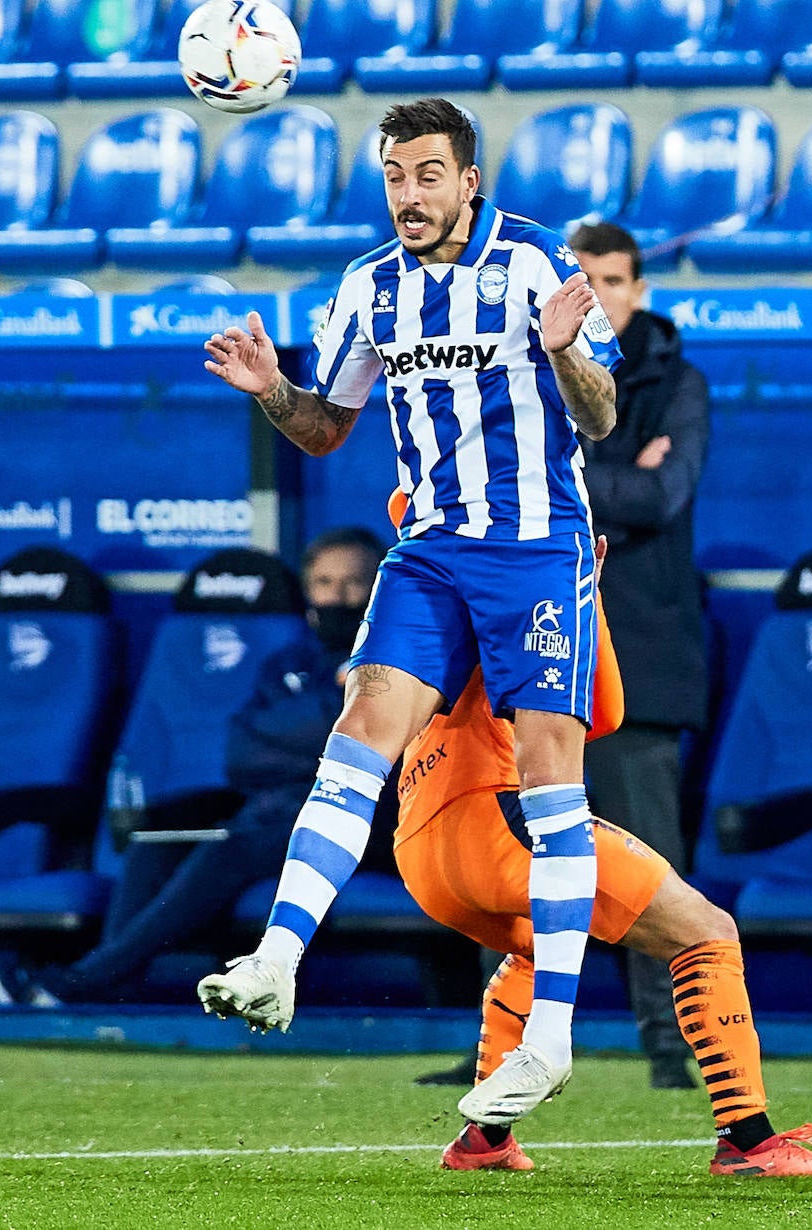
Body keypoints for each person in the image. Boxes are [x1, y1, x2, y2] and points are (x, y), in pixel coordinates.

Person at [198, 97, 621, 1124]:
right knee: (354, 738)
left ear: (469, 181)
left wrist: (566, 350)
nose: (409, 195)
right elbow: (325, 429)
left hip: (534, 550)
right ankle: (278, 958)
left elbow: (603, 417)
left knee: (550, 780)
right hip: (428, 551)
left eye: (428, 174)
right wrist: (271, 391)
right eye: (394, 175)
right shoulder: (367, 288)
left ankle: (551, 1036)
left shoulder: (535, 266)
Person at [388, 515, 812, 1176]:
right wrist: (585, 591)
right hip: (496, 819)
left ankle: (482, 1142)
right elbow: (602, 715)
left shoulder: (427, 581)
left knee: (535, 947)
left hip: (421, 847)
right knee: (705, 932)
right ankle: (748, 1141)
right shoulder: (523, 586)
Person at [0, 529, 384, 1009]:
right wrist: (326, 709)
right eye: (324, 582)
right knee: (158, 844)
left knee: (232, 845)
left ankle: (82, 981)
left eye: (352, 584)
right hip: (274, 811)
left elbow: (365, 741)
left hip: (368, 823)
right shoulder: (289, 660)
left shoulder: (388, 660)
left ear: (378, 588)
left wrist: (295, 728)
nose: (336, 597)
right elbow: (241, 754)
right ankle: (113, 988)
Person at [567, 221, 710, 1089]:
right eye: (582, 279)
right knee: (507, 852)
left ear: (637, 289)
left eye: (614, 279)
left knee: (648, 867)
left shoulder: (677, 382)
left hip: (643, 659)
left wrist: (565, 475)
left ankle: (676, 1043)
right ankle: (503, 1045)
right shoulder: (525, 368)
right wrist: (617, 476)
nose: (600, 294)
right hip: (539, 650)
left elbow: (662, 495)